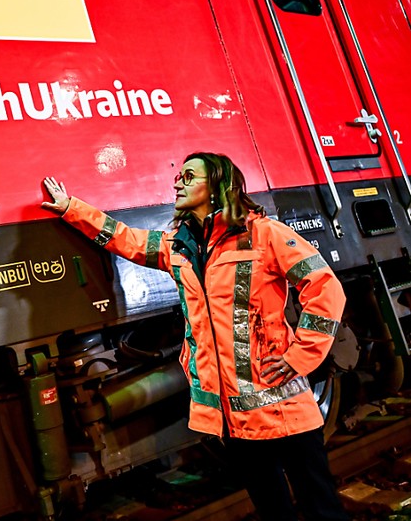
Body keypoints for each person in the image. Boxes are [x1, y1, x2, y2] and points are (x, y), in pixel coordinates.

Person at [41, 152, 349, 521]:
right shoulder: (180, 247)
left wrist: (301, 357)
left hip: (284, 409)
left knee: (322, 509)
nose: (178, 181)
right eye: (180, 176)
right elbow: (127, 240)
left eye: (189, 176)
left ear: (218, 187)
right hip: (236, 419)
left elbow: (326, 287)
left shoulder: (264, 234)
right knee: (273, 511)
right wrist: (72, 208)